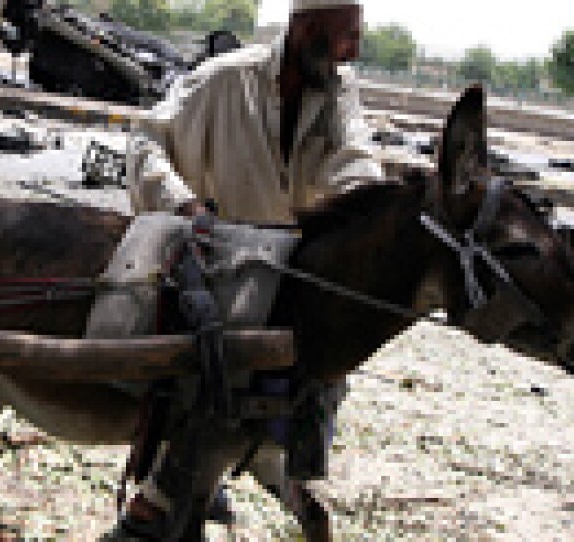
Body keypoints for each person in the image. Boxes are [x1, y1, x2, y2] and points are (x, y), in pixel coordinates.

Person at [111, 0, 385, 539]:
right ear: (306, 28)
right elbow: (146, 142)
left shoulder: (337, 89)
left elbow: (353, 156)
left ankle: (237, 484)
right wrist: (184, 206)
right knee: (214, 389)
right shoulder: (223, 80)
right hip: (223, 272)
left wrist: (371, 207)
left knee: (309, 388)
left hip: (295, 276)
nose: (352, 51)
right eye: (345, 36)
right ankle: (159, 503)